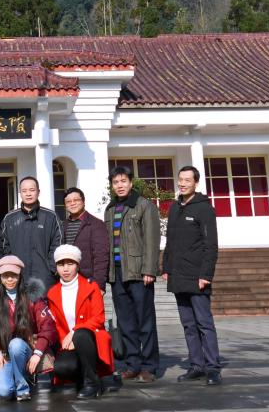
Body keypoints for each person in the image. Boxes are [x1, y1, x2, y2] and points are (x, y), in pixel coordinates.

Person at [162, 165, 222, 386]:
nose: (183, 183)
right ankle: (197, 365)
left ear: (196, 183)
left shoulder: (204, 209)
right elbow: (170, 241)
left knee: (204, 323)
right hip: (178, 275)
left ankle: (213, 367)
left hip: (197, 276)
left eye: (187, 180)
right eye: (180, 179)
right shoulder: (174, 208)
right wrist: (166, 267)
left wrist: (206, 274)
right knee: (188, 324)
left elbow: (210, 245)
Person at [104, 165, 160, 383]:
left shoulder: (144, 205)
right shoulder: (110, 209)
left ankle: (149, 366)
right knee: (125, 322)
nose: (120, 186)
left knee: (145, 322)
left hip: (139, 273)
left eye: (123, 181)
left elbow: (152, 241)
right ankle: (132, 364)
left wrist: (149, 270)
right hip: (117, 273)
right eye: (116, 182)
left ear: (131, 182)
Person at [0, 255, 57, 401]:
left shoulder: (33, 297)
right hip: (5, 354)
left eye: (14, 275)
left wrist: (37, 353)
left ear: (20, 275)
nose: (10, 279)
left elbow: (48, 327)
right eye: (5, 275)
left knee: (16, 344)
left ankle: (23, 387)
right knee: (4, 391)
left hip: (27, 351)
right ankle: (20, 377)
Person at [46, 245, 114, 398]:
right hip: (67, 342)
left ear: (77, 265)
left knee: (81, 334)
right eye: (61, 264)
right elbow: (55, 324)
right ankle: (81, 378)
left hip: (91, 339)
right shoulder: (52, 292)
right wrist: (65, 339)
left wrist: (74, 332)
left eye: (70, 263)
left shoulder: (91, 287)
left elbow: (98, 318)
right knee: (62, 368)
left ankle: (92, 382)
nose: (65, 269)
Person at [1, 176, 62, 289]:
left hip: (45, 279)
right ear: (20, 193)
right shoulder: (9, 218)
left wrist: (51, 270)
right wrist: (10, 270)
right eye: (24, 191)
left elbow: (58, 245)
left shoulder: (50, 217)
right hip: (17, 278)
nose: (28, 194)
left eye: (32, 190)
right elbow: (4, 247)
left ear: (38, 192)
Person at [60, 187, 110, 290]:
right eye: (68, 201)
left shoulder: (96, 224)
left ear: (83, 202)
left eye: (76, 200)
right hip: (68, 281)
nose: (72, 203)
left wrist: (99, 285)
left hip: (89, 281)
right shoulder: (62, 225)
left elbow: (101, 256)